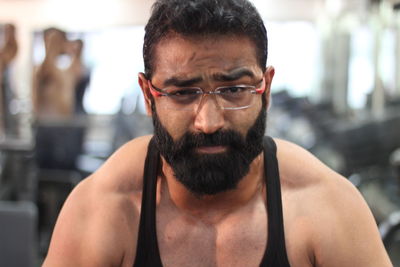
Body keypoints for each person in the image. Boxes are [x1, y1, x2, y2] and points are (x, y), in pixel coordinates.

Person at [43, 0, 393, 266]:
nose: (208, 122)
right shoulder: (102, 208)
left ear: (266, 89)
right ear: (149, 96)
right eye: (182, 93)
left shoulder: (328, 206)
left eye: (234, 90)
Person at [32, 28, 84, 120]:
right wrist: (53, 45)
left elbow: (77, 74)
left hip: (63, 121)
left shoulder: (65, 71)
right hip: (48, 122)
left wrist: (77, 52)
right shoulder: (44, 70)